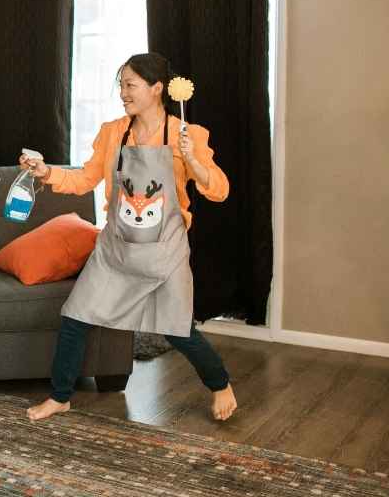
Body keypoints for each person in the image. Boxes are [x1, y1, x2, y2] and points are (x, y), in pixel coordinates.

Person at [20, 52, 238, 423]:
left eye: (130, 85)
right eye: (121, 85)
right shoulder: (112, 133)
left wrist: (193, 160)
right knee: (75, 317)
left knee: (178, 329)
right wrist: (45, 171)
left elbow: (219, 190)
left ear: (157, 89)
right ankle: (60, 396)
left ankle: (221, 384)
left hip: (163, 252)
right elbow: (84, 180)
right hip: (116, 249)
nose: (123, 93)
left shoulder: (188, 135)